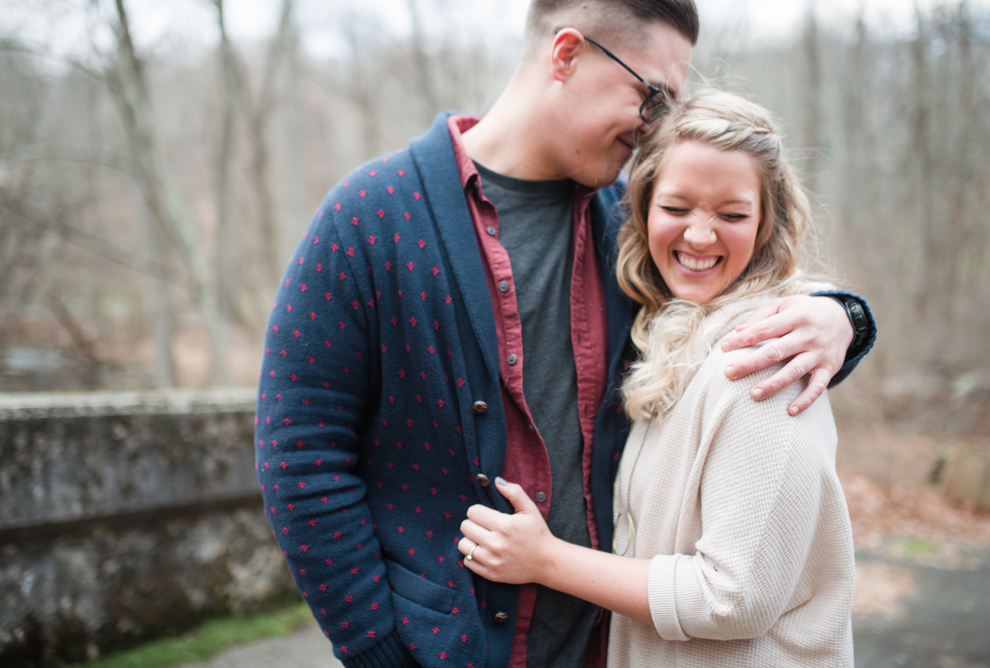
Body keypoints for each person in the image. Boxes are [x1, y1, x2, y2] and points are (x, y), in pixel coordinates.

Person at [253, 2, 874, 668]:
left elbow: (737, 281)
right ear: (567, 53)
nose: (657, 126)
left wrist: (846, 317)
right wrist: (376, 647)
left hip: (611, 647)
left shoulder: (631, 221)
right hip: (443, 651)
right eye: (652, 96)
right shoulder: (369, 217)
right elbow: (300, 456)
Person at [458, 89, 857, 667]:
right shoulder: (668, 337)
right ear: (642, 210)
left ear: (766, 224)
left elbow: (732, 599)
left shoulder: (764, 359)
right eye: (677, 208)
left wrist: (546, 560)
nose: (699, 236)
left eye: (732, 213)